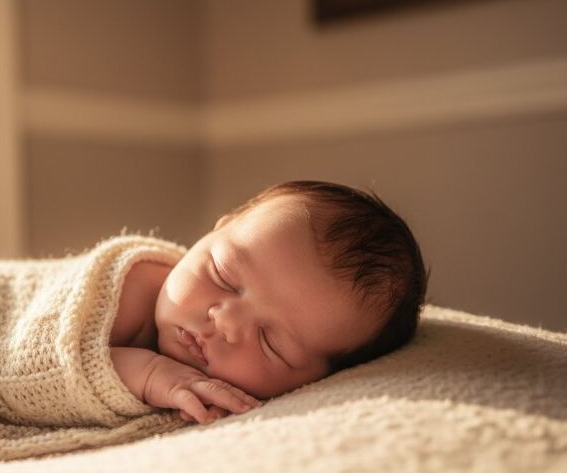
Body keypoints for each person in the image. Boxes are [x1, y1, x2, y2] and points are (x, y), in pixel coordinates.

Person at [110, 180, 428, 425]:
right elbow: (57, 363)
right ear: (214, 231)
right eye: (223, 275)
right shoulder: (124, 291)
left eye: (270, 342)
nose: (226, 322)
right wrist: (146, 373)